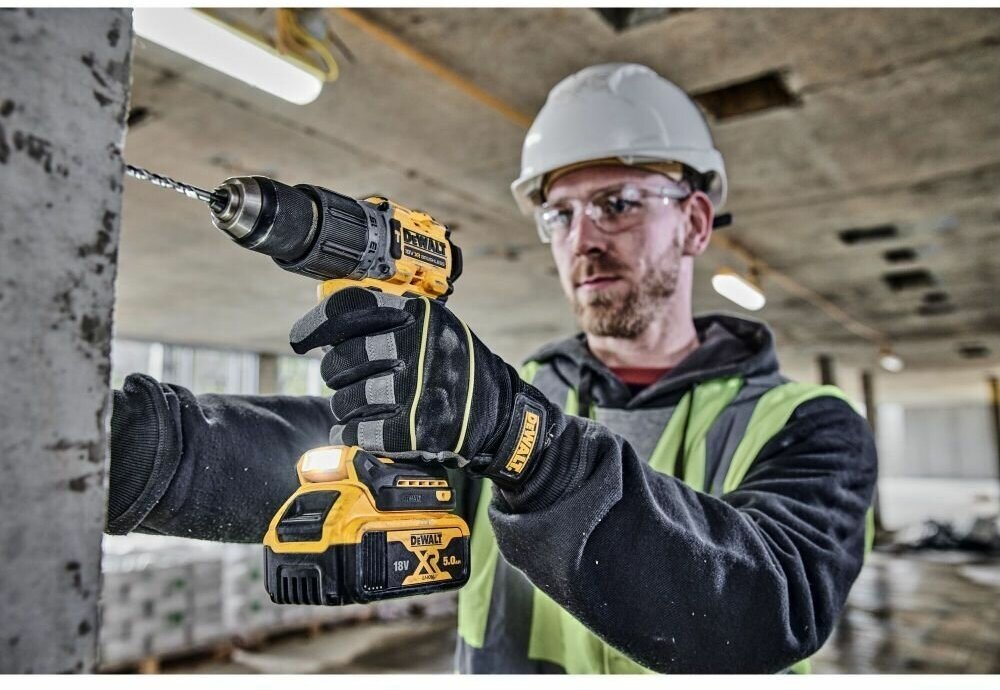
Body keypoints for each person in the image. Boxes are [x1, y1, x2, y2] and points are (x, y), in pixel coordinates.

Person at [106, 63, 877, 674]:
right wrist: (131, 448)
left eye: (618, 203)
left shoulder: (809, 424)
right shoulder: (523, 390)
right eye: (559, 214)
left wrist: (526, 445)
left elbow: (762, 610)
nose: (583, 239)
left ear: (696, 222)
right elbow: (341, 452)